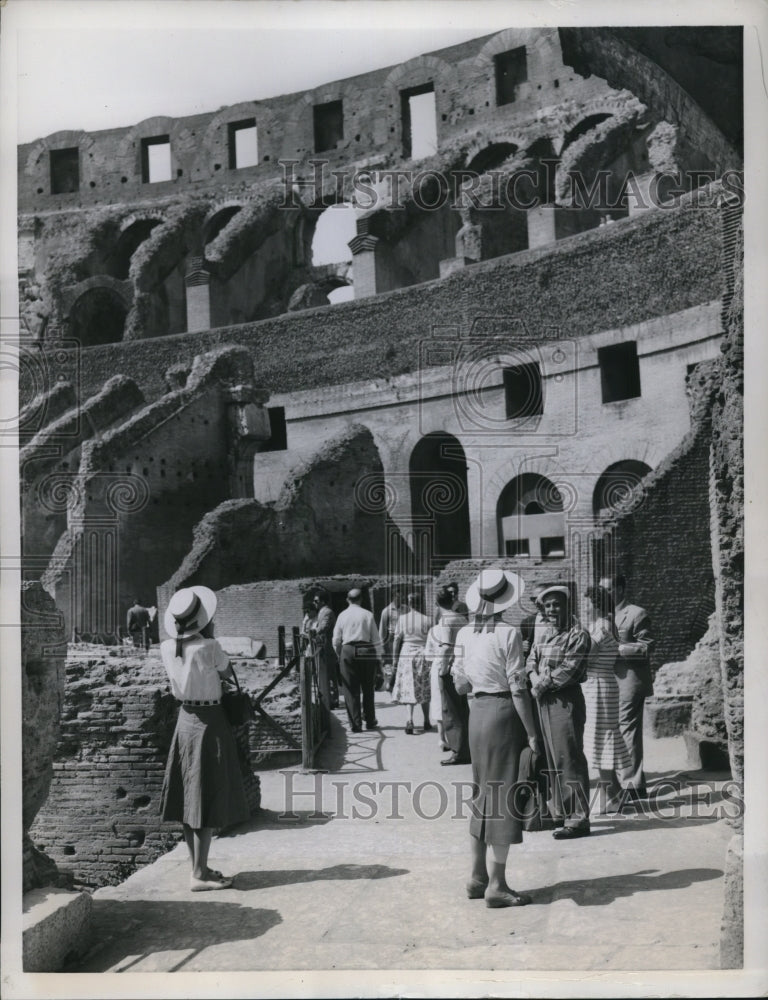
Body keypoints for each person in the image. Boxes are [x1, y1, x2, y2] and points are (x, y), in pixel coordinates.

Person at [451, 568, 539, 907]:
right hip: (503, 714)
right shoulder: (508, 633)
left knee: (481, 795)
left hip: (478, 714)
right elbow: (518, 689)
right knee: (502, 798)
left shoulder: (464, 634)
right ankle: (497, 885)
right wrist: (532, 733)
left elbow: (459, 684)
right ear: (505, 601)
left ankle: (477, 876)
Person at [160, 586, 249, 891]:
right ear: (203, 619)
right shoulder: (210, 646)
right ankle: (200, 874)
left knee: (189, 796)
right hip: (211, 721)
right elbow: (227, 673)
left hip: (185, 719)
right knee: (207, 795)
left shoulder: (166, 647)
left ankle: (197, 867)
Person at [527, 584, 592, 840]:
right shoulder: (545, 632)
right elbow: (531, 657)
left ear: (567, 605)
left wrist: (539, 684)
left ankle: (578, 819)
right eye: (549, 605)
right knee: (552, 759)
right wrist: (533, 677)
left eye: (557, 604)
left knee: (569, 757)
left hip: (564, 699)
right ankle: (560, 812)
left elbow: (570, 670)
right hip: (543, 699)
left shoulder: (578, 634)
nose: (552, 609)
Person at [598, 572, 655, 800]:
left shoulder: (636, 613)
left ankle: (633, 786)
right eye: (602, 590)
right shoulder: (601, 616)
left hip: (629, 680)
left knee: (627, 731)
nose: (605, 594)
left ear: (620, 589)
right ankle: (627, 783)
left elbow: (646, 647)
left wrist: (616, 648)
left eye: (608, 589)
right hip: (607, 683)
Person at [582, 585, 632, 814]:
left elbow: (586, 656)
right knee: (602, 739)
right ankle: (616, 792)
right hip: (600, 685)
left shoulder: (600, 627)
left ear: (597, 605)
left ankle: (613, 795)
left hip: (598, 686)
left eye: (588, 603)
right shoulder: (601, 625)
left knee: (600, 740)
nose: (585, 607)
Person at [424, 585, 469, 764]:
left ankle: (458, 751)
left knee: (450, 710)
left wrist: (441, 670)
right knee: (462, 709)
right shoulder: (461, 618)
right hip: (462, 667)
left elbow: (445, 647)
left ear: (436, 603)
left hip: (449, 669)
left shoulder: (445, 621)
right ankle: (466, 746)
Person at [332, 588, 382, 732]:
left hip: (348, 649)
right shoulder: (368, 615)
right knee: (368, 687)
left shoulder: (342, 615)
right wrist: (378, 659)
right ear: (361, 599)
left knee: (350, 688)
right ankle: (370, 720)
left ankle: (355, 723)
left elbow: (336, 639)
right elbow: (376, 638)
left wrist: (339, 654)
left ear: (348, 600)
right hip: (366, 649)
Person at [391, 592, 432, 734]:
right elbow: (431, 640)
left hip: (407, 653)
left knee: (409, 686)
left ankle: (409, 719)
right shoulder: (428, 620)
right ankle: (426, 720)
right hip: (422, 653)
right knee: (424, 686)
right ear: (420, 603)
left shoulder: (402, 619)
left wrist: (394, 659)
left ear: (409, 604)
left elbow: (397, 639)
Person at [313, 591, 340, 710]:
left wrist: (314, 631)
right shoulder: (321, 612)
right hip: (324, 646)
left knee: (330, 674)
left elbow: (324, 627)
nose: (314, 603)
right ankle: (329, 698)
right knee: (326, 674)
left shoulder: (327, 612)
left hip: (328, 647)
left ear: (323, 601)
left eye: (316, 601)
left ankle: (333, 700)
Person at [379, 589, 407, 691]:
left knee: (404, 661)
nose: (401, 599)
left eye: (402, 597)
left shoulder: (406, 609)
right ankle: (392, 685)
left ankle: (403, 684)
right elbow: (382, 628)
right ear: (393, 597)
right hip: (392, 638)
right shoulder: (386, 611)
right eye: (398, 597)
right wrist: (381, 645)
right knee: (393, 662)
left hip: (404, 638)